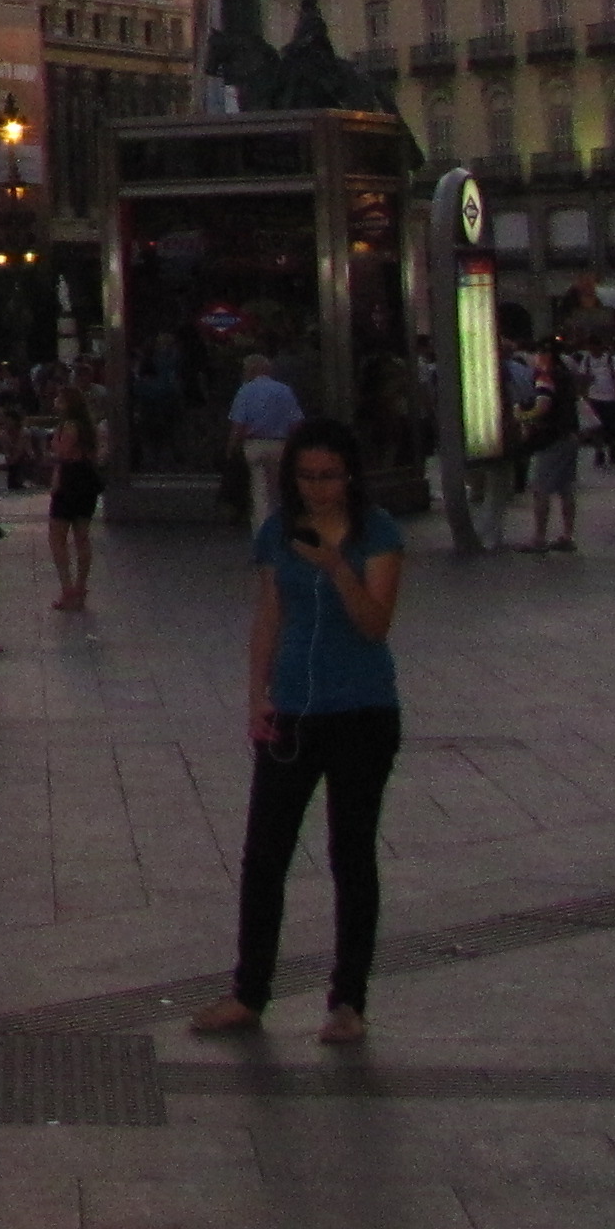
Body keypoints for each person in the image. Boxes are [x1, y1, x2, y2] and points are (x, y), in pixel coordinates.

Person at [190, 418, 405, 1046]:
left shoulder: (378, 532)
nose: (318, 488)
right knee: (265, 855)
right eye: (307, 476)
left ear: (350, 476)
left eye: (329, 476)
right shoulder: (277, 532)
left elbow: (375, 624)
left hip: (361, 710)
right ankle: (249, 991)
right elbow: (269, 614)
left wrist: (337, 566)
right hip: (293, 708)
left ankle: (348, 1000)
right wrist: (257, 696)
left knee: (351, 854)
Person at [225, 352, 303, 526]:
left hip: (255, 444)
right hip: (280, 445)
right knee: (278, 490)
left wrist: (231, 448)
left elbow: (238, 425)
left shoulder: (245, 391)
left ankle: (262, 529)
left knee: (259, 490)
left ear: (251, 370)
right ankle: (281, 526)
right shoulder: (284, 390)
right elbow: (296, 423)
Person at [46, 389, 105, 614]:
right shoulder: (87, 427)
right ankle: (80, 586)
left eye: (59, 399)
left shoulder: (68, 426)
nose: (55, 401)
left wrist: (55, 442)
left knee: (57, 536)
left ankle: (68, 587)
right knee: (82, 536)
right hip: (86, 480)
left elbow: (62, 451)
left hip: (70, 480)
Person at [524, 345, 582, 553]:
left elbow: (543, 406)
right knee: (566, 489)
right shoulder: (565, 376)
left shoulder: (545, 377)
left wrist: (523, 415)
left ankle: (539, 538)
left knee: (541, 489)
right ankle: (567, 535)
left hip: (550, 438)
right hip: (569, 436)